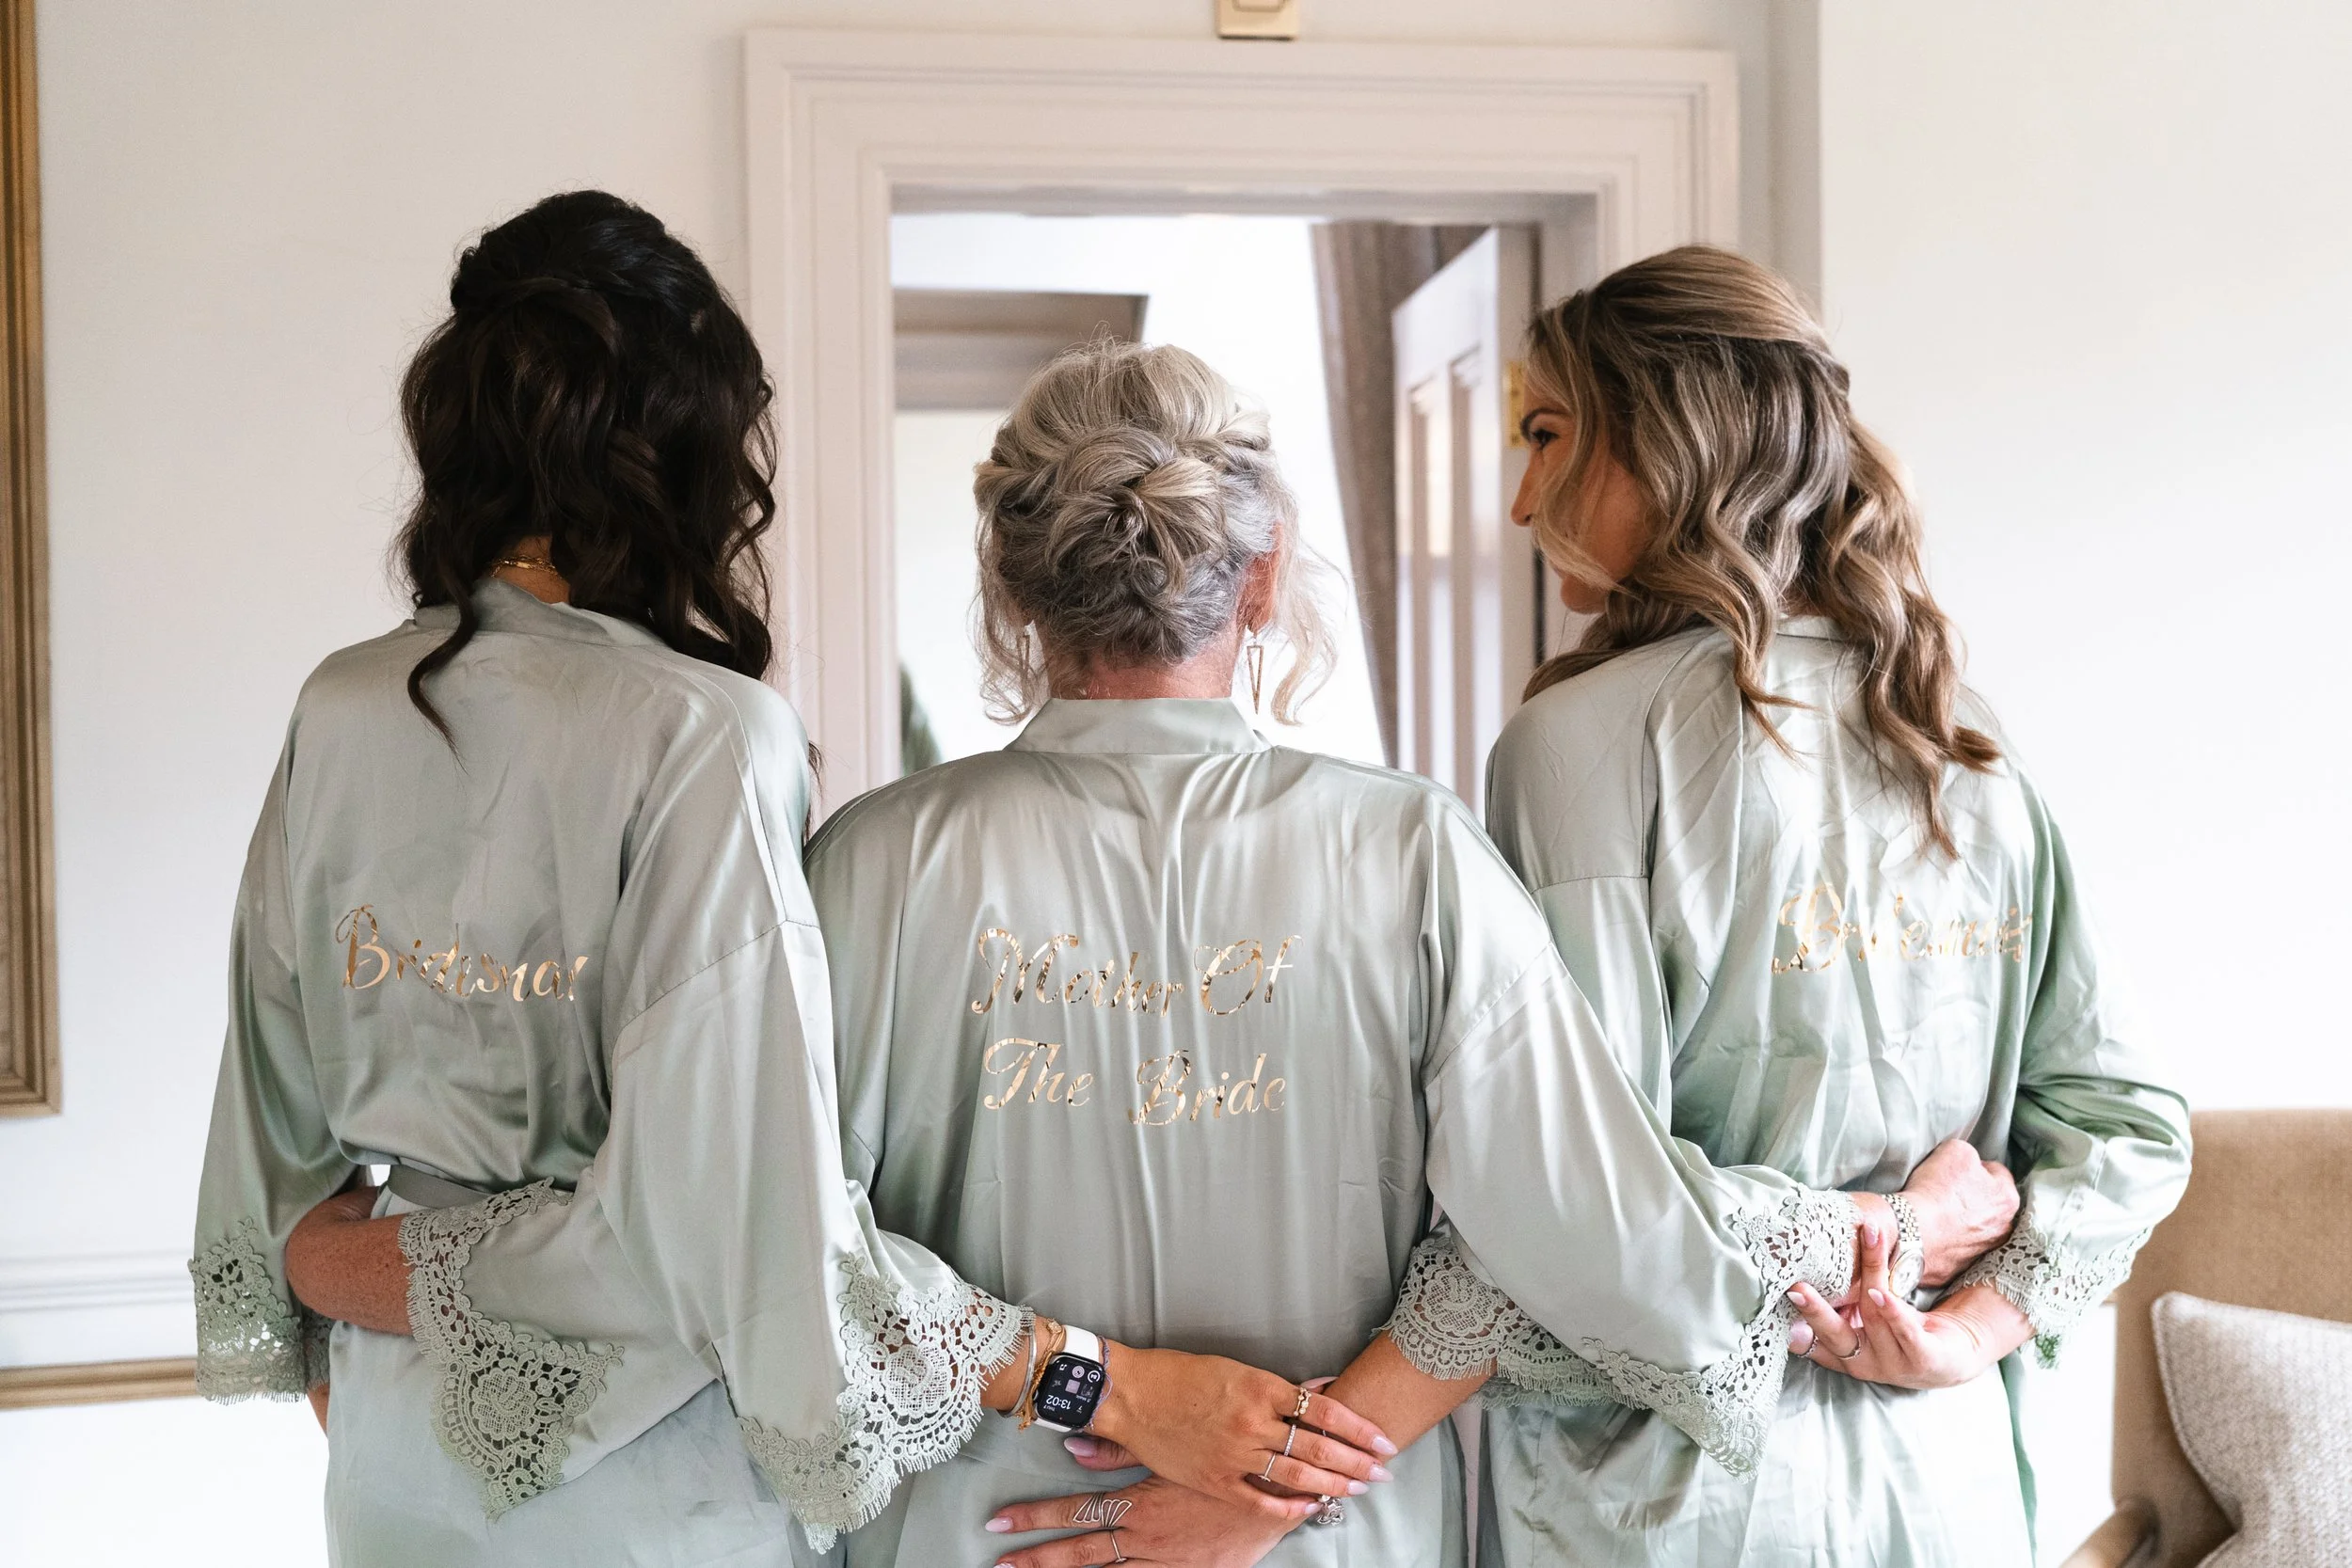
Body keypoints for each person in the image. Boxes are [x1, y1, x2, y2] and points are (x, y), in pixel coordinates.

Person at [193, 193, 1388, 1568]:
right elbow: (735, 1221)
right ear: (687, 440)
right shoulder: (704, 735)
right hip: (651, 1490)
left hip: (394, 1468)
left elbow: (275, 1180)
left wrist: (379, 1278)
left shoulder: (342, 706)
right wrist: (1105, 1381)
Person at [787, 341, 2017, 1568]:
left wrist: (1097, 1388)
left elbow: (782, 1253)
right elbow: (1584, 1228)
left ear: (1010, 580)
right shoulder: (1414, 853)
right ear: (1263, 579)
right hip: (1333, 1536)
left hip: (986, 1537)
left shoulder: (870, 868)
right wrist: (1892, 1228)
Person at [1433, 245, 2194, 1565]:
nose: (1520, 498)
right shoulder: (1958, 737)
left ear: (1666, 442)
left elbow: (1588, 1199)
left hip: (1670, 1507)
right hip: (1944, 1492)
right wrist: (1959, 1321)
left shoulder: (1578, 747)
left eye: (1549, 434)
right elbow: (2126, 1126)